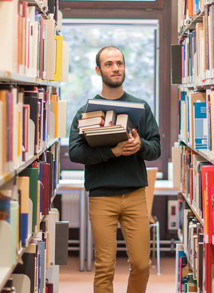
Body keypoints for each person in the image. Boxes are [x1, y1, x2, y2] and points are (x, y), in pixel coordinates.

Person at [68, 46, 161, 293]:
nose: (115, 68)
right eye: (109, 64)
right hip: (101, 196)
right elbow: (76, 153)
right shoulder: (86, 111)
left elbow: (156, 148)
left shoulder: (141, 107)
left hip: (134, 195)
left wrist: (140, 145)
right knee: (105, 266)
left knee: (142, 264)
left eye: (119, 63)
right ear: (98, 70)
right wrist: (112, 152)